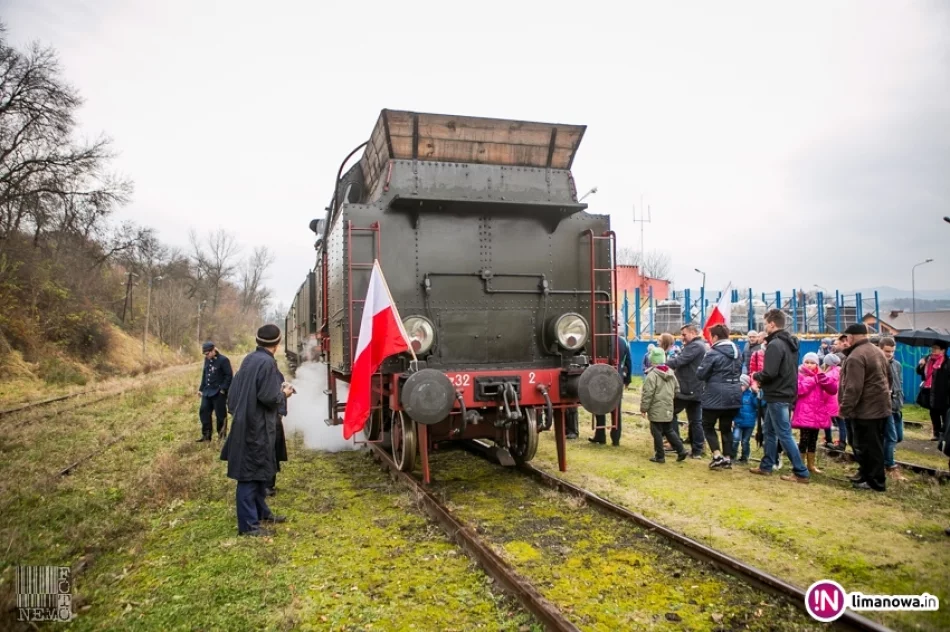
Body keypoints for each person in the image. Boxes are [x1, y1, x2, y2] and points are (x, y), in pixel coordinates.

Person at [221, 324, 294, 536]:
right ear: (277, 344)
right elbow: (269, 397)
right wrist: (285, 394)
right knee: (249, 475)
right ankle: (249, 527)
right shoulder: (268, 364)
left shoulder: (250, 359)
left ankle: (261, 512)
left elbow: (237, 393)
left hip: (247, 421)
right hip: (257, 426)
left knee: (259, 471)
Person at [750, 309, 810, 483]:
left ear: (772, 324)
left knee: (784, 433)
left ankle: (801, 471)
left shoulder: (775, 345)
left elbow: (770, 372)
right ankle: (767, 464)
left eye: (765, 323)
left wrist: (756, 376)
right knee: (769, 430)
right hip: (782, 392)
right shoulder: (790, 344)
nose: (764, 326)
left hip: (777, 394)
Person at [838, 324, 892, 492]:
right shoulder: (876, 351)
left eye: (847, 337)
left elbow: (853, 388)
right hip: (879, 407)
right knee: (870, 445)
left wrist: (844, 409)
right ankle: (865, 474)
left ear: (851, 337)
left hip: (866, 410)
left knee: (868, 446)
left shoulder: (856, 356)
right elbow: (888, 377)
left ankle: (875, 481)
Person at [696, 324, 742, 470]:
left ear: (715, 337)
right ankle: (728, 458)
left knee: (707, 425)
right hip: (734, 394)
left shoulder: (713, 353)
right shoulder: (738, 351)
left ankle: (717, 455)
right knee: (726, 427)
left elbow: (701, 374)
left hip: (715, 394)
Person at [792, 352, 838, 474]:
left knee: (813, 439)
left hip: (818, 412)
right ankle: (800, 464)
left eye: (812, 363)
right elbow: (799, 390)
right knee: (804, 439)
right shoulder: (799, 374)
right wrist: (813, 380)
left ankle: (811, 464)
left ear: (817, 364)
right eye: (807, 362)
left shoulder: (821, 375)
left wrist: (826, 380)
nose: (809, 365)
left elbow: (833, 390)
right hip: (805, 412)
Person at [641, 347, 688, 463]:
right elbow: (677, 390)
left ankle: (660, 456)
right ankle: (681, 450)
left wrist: (644, 408)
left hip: (656, 408)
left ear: (652, 361)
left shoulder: (652, 376)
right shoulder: (671, 373)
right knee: (669, 430)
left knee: (656, 431)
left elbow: (648, 394)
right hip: (668, 406)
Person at [667, 323, 707, 458]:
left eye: (684, 334)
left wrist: (662, 364)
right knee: (696, 420)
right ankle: (697, 449)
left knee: (670, 413)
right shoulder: (698, 345)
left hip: (687, 389)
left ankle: (675, 442)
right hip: (695, 388)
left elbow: (681, 360)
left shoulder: (695, 346)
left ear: (693, 333)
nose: (682, 337)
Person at [590, 333, 631, 446]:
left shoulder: (598, 338)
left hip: (600, 377)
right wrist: (627, 379)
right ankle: (616, 438)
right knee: (616, 409)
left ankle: (600, 435)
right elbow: (628, 361)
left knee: (599, 406)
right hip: (617, 377)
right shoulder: (623, 342)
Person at [879, 337, 905, 480]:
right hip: (885, 405)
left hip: (897, 405)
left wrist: (901, 398)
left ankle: (882, 458)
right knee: (891, 437)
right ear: (881, 349)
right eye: (887, 351)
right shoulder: (878, 364)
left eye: (892, 351)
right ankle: (889, 465)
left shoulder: (897, 365)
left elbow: (899, 383)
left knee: (899, 436)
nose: (889, 354)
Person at [197, 341, 233, 442]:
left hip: (218, 392)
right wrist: (201, 389)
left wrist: (223, 389)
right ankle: (206, 436)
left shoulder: (223, 360)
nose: (206, 356)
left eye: (208, 353)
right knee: (203, 412)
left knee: (220, 415)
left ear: (213, 350)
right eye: (205, 354)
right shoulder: (207, 359)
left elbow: (229, 376)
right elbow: (205, 374)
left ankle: (222, 436)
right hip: (207, 391)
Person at [916, 342, 949, 441]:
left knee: (944, 413)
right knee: (933, 413)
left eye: (936, 348)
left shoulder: (947, 362)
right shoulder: (928, 359)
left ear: (943, 350)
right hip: (930, 391)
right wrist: (920, 365)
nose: (933, 350)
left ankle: (945, 434)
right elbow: (920, 372)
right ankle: (936, 434)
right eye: (932, 348)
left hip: (943, 392)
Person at [266, 367, 291, 496]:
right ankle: (267, 485)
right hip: (265, 419)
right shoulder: (271, 374)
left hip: (267, 418)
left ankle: (268, 484)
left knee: (271, 449)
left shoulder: (275, 374)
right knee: (270, 449)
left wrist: (281, 411)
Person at [821, 354, 845, 450]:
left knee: (827, 422)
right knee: (842, 423)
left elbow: (825, 392)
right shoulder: (842, 372)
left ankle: (829, 440)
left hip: (830, 403)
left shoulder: (828, 375)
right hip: (841, 401)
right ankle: (842, 443)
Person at [733, 375, 758, 464]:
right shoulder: (735, 395)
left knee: (745, 441)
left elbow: (757, 404)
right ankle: (732, 456)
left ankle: (744, 457)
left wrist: (755, 394)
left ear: (747, 385)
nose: (740, 387)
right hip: (738, 422)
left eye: (742, 385)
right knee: (735, 439)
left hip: (749, 423)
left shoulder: (751, 395)